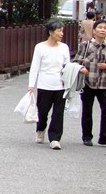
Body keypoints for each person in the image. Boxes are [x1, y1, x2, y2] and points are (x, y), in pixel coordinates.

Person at [28, 19, 70, 150]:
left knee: (58, 113)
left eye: (62, 31)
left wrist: (69, 84)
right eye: (59, 30)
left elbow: (67, 67)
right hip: (44, 84)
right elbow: (35, 67)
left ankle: (55, 138)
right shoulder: (40, 47)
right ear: (51, 32)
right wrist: (31, 85)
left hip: (60, 85)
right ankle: (40, 129)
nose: (61, 33)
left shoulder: (64, 47)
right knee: (43, 112)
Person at [72, 17, 106, 146]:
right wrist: (82, 68)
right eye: (100, 28)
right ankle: (87, 136)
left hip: (103, 84)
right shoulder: (85, 46)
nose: (103, 30)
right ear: (94, 30)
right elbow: (76, 62)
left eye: (105, 28)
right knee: (87, 111)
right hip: (87, 83)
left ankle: (103, 137)